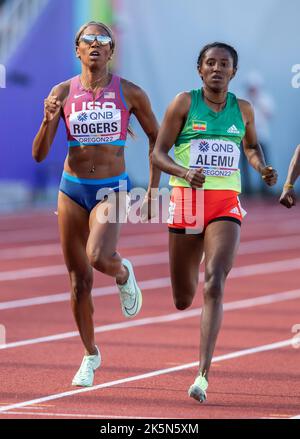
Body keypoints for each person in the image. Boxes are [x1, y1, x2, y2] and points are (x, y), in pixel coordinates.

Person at [32, 21, 160, 387]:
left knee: (98, 257)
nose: (95, 44)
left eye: (103, 40)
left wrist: (153, 190)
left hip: (112, 188)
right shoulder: (61, 92)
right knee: (78, 283)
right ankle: (90, 355)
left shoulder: (131, 93)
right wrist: (47, 120)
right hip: (71, 189)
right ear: (78, 50)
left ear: (110, 52)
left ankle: (122, 273)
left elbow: (157, 140)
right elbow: (40, 154)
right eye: (88, 39)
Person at [152, 42, 277, 403]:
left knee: (215, 283)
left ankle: (203, 374)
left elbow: (251, 148)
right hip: (187, 201)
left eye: (224, 64)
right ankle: (191, 271)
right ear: (200, 69)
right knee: (182, 297)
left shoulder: (244, 109)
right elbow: (159, 153)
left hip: (225, 201)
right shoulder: (183, 103)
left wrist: (260, 166)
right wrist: (183, 171)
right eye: (210, 63)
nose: (217, 69)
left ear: (234, 72)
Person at [241, 71, 275, 194]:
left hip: (261, 135)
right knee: (245, 163)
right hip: (245, 136)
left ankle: (265, 188)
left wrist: (257, 101)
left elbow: (269, 114)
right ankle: (247, 188)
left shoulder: (265, 98)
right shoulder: (242, 99)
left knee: (264, 162)